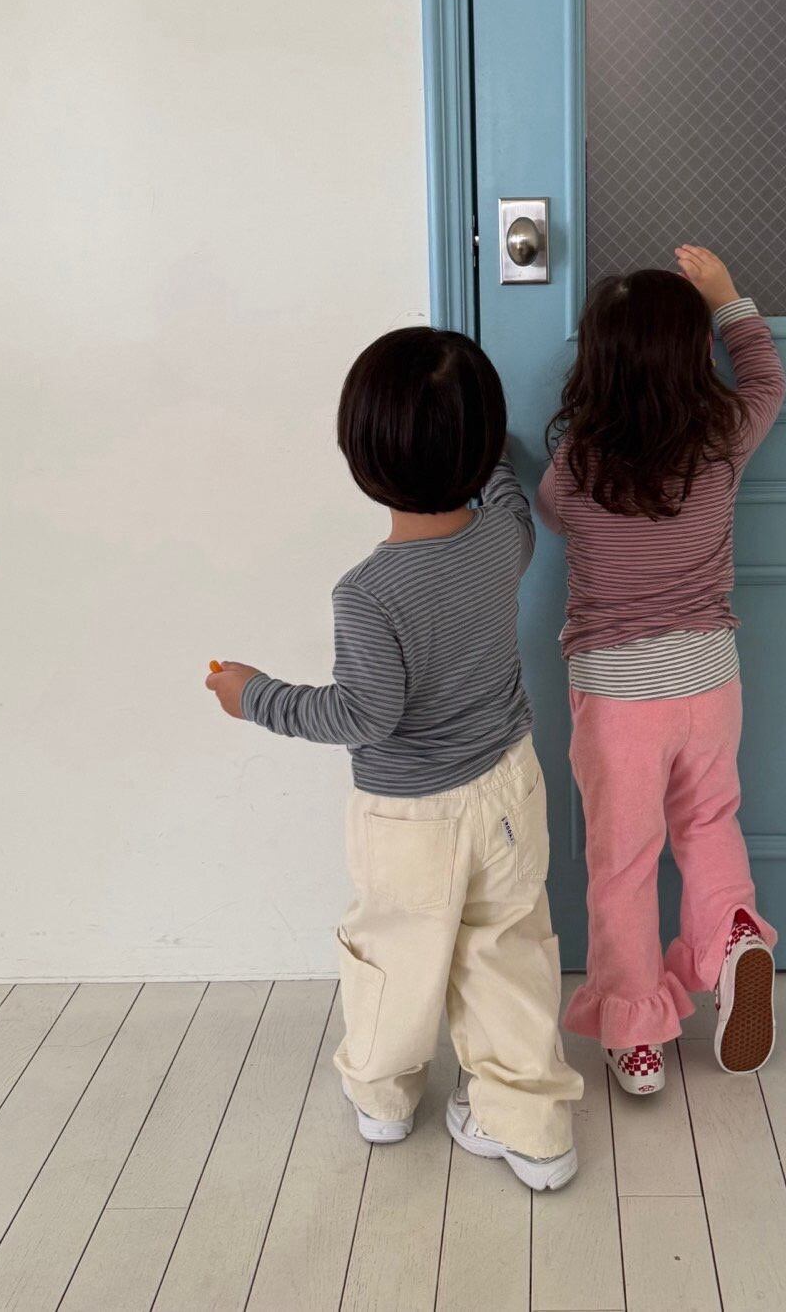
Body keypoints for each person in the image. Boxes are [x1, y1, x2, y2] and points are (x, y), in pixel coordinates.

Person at [207, 327, 581, 1187]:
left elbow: (363, 715)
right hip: (509, 787)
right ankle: (533, 1129)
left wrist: (254, 694)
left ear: (362, 458)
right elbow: (505, 489)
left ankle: (383, 1097)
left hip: (410, 815)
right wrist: (486, 451)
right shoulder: (505, 536)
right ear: (481, 448)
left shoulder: (368, 593)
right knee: (508, 954)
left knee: (396, 954)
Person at [537, 246, 785, 1096]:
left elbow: (550, 515)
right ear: (695, 355)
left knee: (624, 862)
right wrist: (725, 295)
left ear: (596, 364)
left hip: (618, 698)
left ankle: (637, 1036)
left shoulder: (577, 466)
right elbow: (768, 379)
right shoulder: (722, 439)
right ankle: (735, 937)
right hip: (710, 679)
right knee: (709, 823)